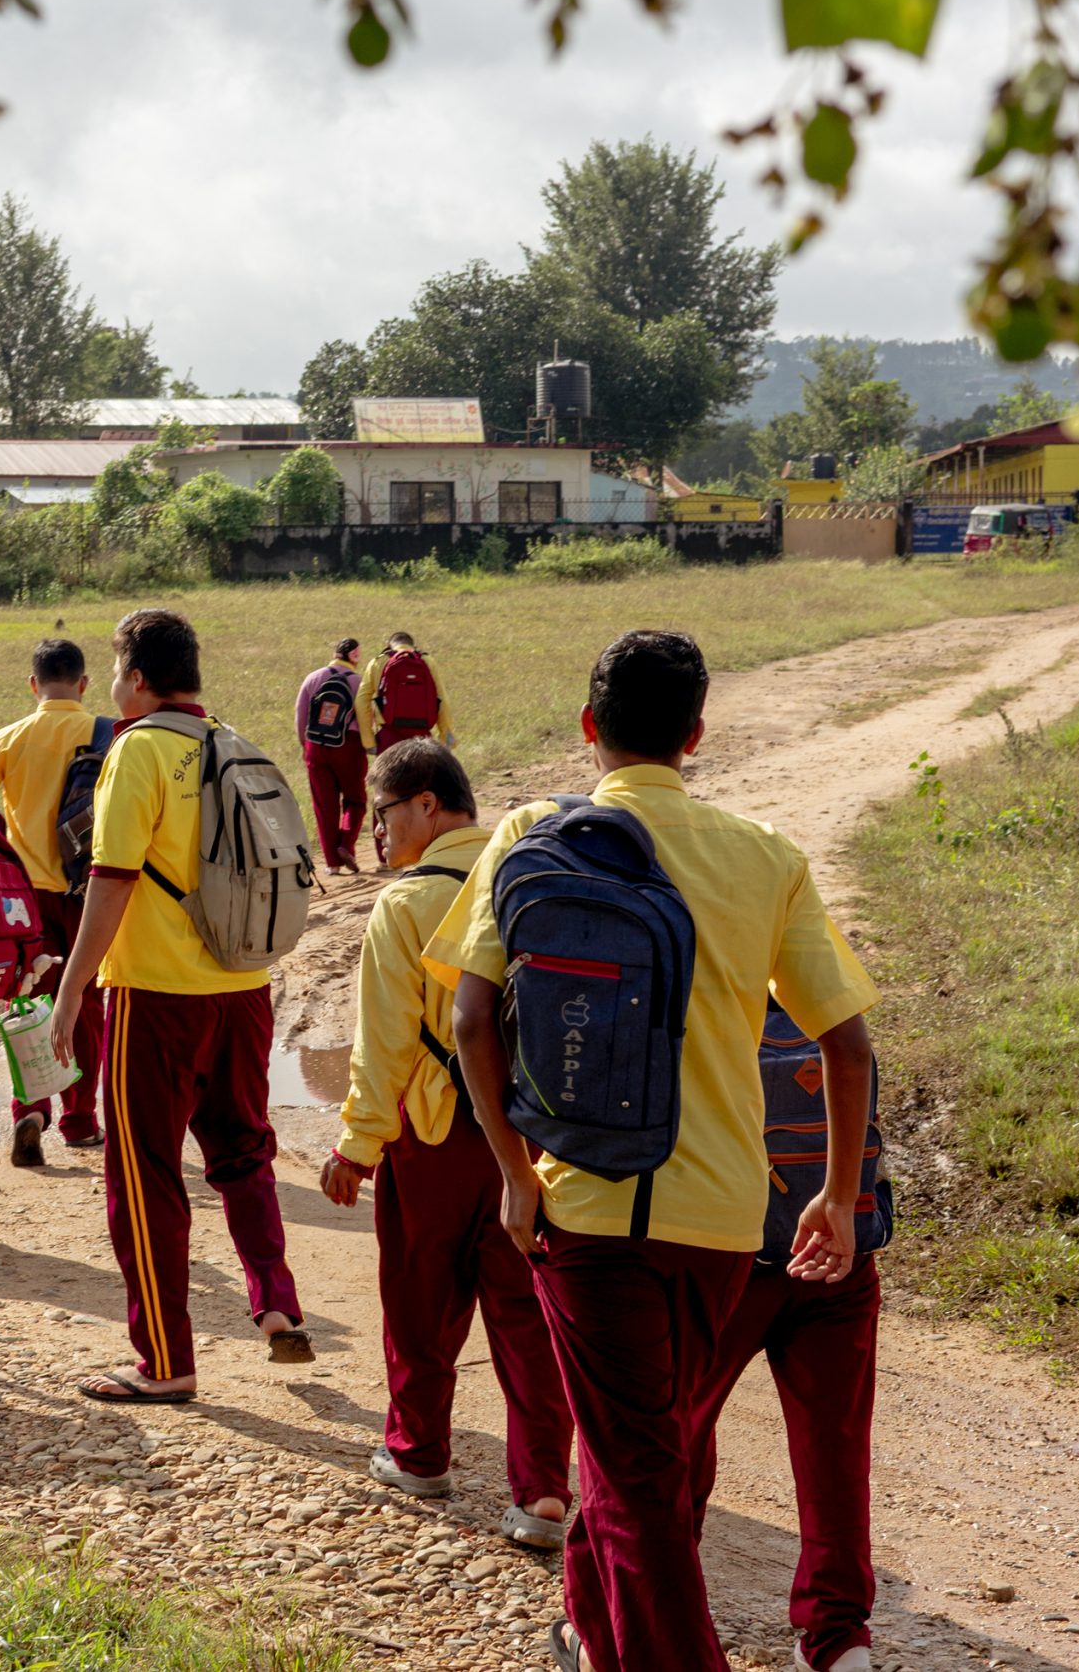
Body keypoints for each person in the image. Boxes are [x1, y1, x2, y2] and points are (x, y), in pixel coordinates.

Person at [425, 630, 880, 1672]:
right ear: (697, 733)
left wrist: (509, 1170)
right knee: (639, 1453)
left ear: (589, 727)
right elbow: (846, 1044)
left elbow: (470, 1022)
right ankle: (592, 1635)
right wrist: (836, 1195)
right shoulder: (763, 855)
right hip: (725, 1217)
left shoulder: (535, 832)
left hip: (584, 1210)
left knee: (637, 1484)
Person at [320, 737, 574, 1552]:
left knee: (419, 1303)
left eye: (384, 814)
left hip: (432, 1138)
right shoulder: (527, 878)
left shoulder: (405, 904)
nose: (375, 836)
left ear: (429, 803)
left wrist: (358, 1145)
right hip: (529, 1142)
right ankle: (541, 1493)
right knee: (526, 1317)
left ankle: (420, 1452)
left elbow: (383, 1045)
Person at [48, 607, 306, 1403]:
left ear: (133, 677)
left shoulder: (138, 751)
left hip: (158, 997)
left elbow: (112, 877)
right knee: (244, 1152)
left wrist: (71, 987)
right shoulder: (231, 740)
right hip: (243, 988)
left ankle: (164, 1358)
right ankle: (275, 1300)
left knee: (144, 1175)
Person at [684, 1006, 886, 1672]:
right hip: (839, 1257)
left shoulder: (701, 972)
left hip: (727, 1259)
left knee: (671, 1436)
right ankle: (838, 1638)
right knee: (835, 1454)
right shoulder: (825, 984)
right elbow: (853, 1056)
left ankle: (650, 1611)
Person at [0, 635, 108, 1164]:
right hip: (94, 891)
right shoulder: (109, 734)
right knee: (86, 1004)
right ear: (84, 685)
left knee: (27, 1002)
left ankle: (30, 1109)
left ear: (32, 685)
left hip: (26, 901)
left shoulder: (10, 737)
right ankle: (81, 1119)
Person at [293, 636, 370, 874]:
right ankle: (346, 844)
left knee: (324, 806)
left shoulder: (313, 678)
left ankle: (332, 864)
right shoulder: (359, 681)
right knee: (355, 799)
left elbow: (300, 715)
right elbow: (366, 719)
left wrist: (306, 746)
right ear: (355, 656)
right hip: (349, 745)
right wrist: (370, 746)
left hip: (316, 746)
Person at [360, 631, 454, 754]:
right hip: (422, 739)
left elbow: (361, 700)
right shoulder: (427, 661)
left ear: (389, 646)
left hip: (389, 738)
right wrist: (446, 738)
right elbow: (442, 700)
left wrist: (369, 741)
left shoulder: (377, 662)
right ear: (413, 646)